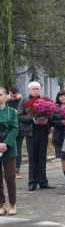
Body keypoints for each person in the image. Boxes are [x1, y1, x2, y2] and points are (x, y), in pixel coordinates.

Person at [18, 81, 55, 191]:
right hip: (31, 133)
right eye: (33, 89)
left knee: (42, 157)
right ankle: (32, 182)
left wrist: (48, 117)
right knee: (33, 157)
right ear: (29, 90)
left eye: (37, 89)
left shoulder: (44, 100)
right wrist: (31, 119)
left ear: (39, 90)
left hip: (43, 132)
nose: (35, 91)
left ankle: (43, 181)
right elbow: (19, 116)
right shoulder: (24, 101)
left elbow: (52, 114)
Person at [0, 87, 18, 215]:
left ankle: (12, 204)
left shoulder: (11, 111)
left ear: (5, 96)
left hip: (9, 147)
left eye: (0, 95)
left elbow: (14, 129)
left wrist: (5, 143)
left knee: (10, 176)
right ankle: (1, 204)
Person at [7, 86, 24, 179]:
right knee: (7, 149)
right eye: (11, 96)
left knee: (18, 150)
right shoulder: (6, 102)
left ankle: (17, 170)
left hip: (19, 128)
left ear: (18, 94)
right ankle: (9, 169)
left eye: (14, 96)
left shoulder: (21, 102)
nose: (13, 98)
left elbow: (24, 114)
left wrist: (17, 113)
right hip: (7, 130)